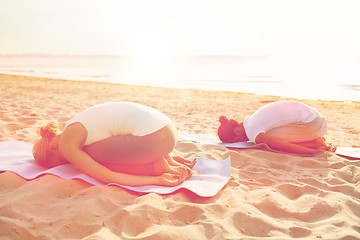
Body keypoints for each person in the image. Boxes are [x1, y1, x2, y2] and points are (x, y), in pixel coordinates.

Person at [32, 102, 195, 187]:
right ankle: (165, 158)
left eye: (60, 162)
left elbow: (107, 176)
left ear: (52, 148)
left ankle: (157, 166)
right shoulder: (73, 125)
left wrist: (156, 180)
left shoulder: (66, 144)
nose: (66, 162)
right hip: (168, 130)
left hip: (155, 139)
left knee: (90, 159)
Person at [217, 100, 336, 154]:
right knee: (269, 135)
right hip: (317, 118)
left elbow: (283, 147)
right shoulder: (252, 119)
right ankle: (313, 140)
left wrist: (313, 151)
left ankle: (315, 143)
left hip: (314, 125)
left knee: (269, 141)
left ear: (237, 131)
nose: (241, 142)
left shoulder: (252, 130)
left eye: (235, 141)